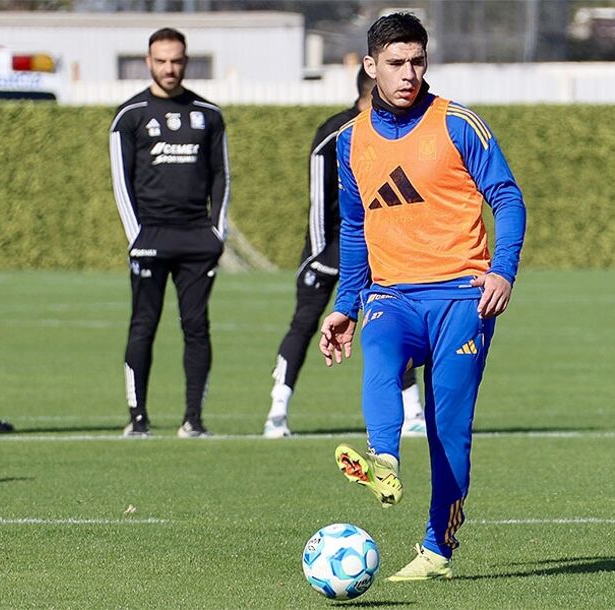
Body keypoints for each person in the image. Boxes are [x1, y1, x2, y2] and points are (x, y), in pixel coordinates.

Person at [318, 13, 526, 581]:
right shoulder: (349, 141)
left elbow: (507, 198)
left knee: (446, 430)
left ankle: (437, 550)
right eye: (395, 63)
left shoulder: (460, 125)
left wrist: (502, 271)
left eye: (417, 61)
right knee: (379, 358)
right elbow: (355, 229)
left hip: (464, 297)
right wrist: (344, 303)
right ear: (370, 67)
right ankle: (383, 458)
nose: (408, 74)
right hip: (392, 296)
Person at [263, 69, 426, 439]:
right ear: (372, 90)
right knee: (304, 324)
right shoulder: (335, 134)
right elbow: (318, 200)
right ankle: (277, 411)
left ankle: (412, 411)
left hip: (380, 251)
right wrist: (321, 255)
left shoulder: (397, 134)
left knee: (391, 324)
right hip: (328, 249)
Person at [108, 28, 230, 438]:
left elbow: (221, 175)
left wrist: (217, 231)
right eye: (161, 61)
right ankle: (137, 417)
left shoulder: (209, 114)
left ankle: (193, 419)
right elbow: (121, 181)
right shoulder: (130, 115)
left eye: (176, 60)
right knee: (143, 325)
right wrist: (135, 235)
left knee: (197, 327)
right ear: (148, 62)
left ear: (185, 60)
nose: (169, 68)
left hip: (197, 239)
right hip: (151, 239)